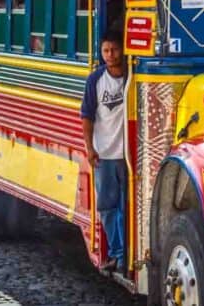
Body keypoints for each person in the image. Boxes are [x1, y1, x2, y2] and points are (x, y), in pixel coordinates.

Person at [81, 31, 127, 272]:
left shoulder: (133, 78)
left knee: (125, 207)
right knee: (108, 207)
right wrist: (89, 148)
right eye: (106, 51)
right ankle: (118, 253)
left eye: (115, 50)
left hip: (128, 156)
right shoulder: (96, 80)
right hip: (105, 153)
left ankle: (125, 253)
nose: (110, 55)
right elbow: (87, 117)